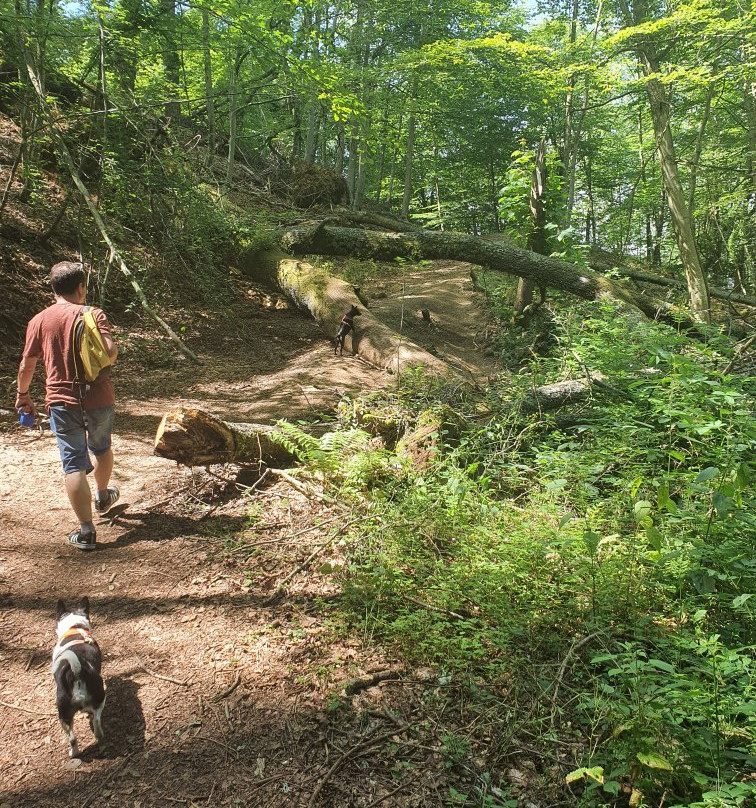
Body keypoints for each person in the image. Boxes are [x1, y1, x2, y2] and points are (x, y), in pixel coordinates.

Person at [15, 261, 120, 551]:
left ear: (53, 289)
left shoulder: (39, 320)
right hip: (99, 397)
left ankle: (86, 532)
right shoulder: (93, 314)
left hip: (61, 401)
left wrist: (23, 395)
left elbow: (27, 364)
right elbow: (110, 353)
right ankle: (102, 495)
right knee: (101, 447)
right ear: (80, 288)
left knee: (73, 463)